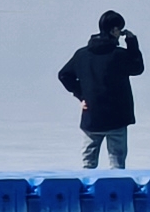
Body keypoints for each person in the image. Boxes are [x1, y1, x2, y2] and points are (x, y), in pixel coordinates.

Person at [57, 9, 144, 169]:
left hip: (92, 117)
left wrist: (81, 96)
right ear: (114, 30)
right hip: (117, 118)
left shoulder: (82, 55)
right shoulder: (119, 55)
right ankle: (116, 192)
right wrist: (132, 42)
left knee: (88, 164)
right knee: (117, 164)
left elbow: (64, 75)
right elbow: (137, 68)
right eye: (120, 29)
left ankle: (87, 192)